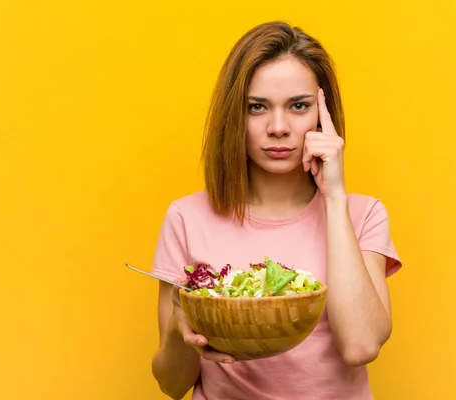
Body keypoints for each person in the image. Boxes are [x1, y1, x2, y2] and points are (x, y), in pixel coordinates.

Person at [150, 20, 402, 400]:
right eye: (257, 107)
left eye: (299, 106)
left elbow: (361, 347)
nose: (278, 127)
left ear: (323, 115)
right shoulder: (186, 218)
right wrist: (181, 328)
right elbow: (171, 385)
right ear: (234, 116)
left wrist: (334, 197)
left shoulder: (363, 215)